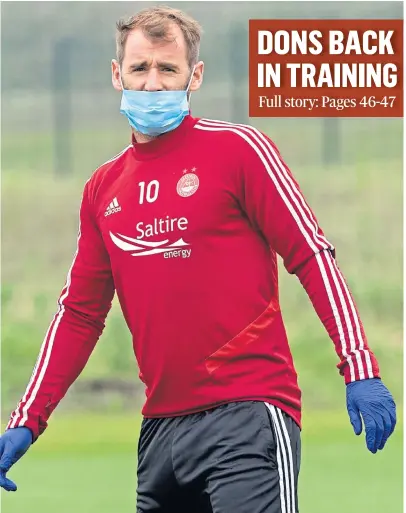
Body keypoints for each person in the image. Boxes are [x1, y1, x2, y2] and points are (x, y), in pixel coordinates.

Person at [0, 6, 397, 513]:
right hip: (159, 432)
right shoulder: (103, 188)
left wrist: (359, 367)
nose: (153, 84)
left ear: (195, 76)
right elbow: (79, 314)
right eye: (141, 68)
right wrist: (27, 419)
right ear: (116, 73)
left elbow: (311, 255)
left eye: (168, 69)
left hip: (248, 414)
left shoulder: (239, 151)